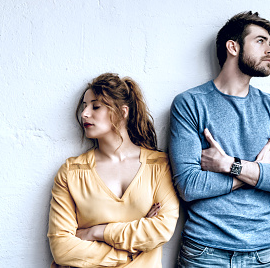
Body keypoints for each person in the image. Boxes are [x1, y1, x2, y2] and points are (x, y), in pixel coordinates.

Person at [169, 11, 270, 267]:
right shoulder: (191, 104)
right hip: (205, 253)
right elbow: (189, 186)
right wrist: (260, 171)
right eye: (261, 41)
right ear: (233, 47)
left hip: (262, 254)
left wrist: (229, 164)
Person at [48, 73, 180, 268]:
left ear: (122, 112)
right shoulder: (72, 172)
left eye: (96, 106)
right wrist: (131, 253)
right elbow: (62, 249)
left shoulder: (158, 166)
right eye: (84, 106)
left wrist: (96, 232)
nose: (85, 113)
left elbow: (162, 229)